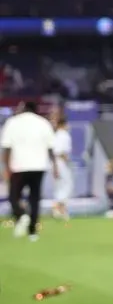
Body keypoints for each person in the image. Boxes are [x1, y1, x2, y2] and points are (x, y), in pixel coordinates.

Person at [1, 100, 58, 241]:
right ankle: (33, 232)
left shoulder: (13, 122)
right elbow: (50, 148)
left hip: (19, 166)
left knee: (14, 196)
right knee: (35, 198)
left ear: (23, 108)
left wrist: (6, 167)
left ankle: (21, 215)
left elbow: (7, 147)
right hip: (39, 166)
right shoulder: (43, 123)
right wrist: (55, 166)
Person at [51, 110, 73, 222]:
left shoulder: (56, 135)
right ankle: (60, 208)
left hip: (56, 163)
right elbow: (61, 152)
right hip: (61, 163)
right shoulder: (63, 135)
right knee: (66, 185)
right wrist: (68, 162)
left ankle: (59, 209)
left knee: (60, 186)